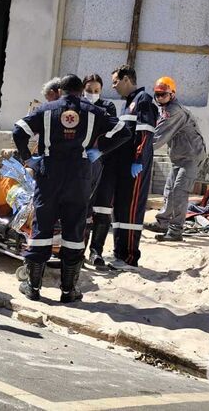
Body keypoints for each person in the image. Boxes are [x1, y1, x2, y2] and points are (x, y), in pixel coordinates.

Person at [13, 74, 131, 303]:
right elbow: (124, 131)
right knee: (75, 229)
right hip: (79, 176)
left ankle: (33, 286)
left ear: (60, 90)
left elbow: (19, 130)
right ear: (80, 91)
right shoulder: (94, 112)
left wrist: (28, 158)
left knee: (43, 226)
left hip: (50, 175)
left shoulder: (47, 109)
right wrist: (101, 150)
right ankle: (69, 290)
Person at [88, 65, 158, 269]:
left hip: (133, 166)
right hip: (121, 165)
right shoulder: (129, 103)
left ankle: (129, 257)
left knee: (131, 210)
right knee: (120, 210)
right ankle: (120, 253)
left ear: (127, 79)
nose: (114, 86)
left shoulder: (143, 100)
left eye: (116, 81)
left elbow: (145, 134)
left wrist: (138, 159)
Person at [145, 76, 207, 242]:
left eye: (163, 95)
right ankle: (163, 223)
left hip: (192, 156)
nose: (159, 98)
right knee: (170, 189)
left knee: (179, 190)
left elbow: (159, 136)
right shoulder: (165, 109)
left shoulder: (174, 111)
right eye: (157, 95)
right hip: (179, 157)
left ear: (172, 94)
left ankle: (175, 230)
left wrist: (140, 151)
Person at [81, 74, 117, 261]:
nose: (92, 94)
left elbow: (111, 132)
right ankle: (80, 250)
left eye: (96, 91)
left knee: (102, 208)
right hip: (82, 164)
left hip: (103, 162)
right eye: (88, 90)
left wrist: (101, 150)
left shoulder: (107, 107)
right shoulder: (77, 106)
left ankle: (96, 252)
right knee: (83, 207)